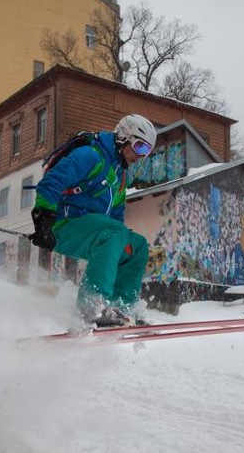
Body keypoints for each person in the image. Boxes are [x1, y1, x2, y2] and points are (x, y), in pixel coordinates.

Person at [30, 114, 157, 327]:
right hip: (62, 225)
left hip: (93, 232)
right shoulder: (91, 155)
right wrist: (43, 220)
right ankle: (91, 306)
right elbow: (51, 182)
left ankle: (121, 306)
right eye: (140, 147)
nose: (141, 156)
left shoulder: (119, 176)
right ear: (124, 138)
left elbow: (116, 218)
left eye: (147, 152)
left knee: (137, 246)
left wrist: (117, 250)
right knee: (114, 232)